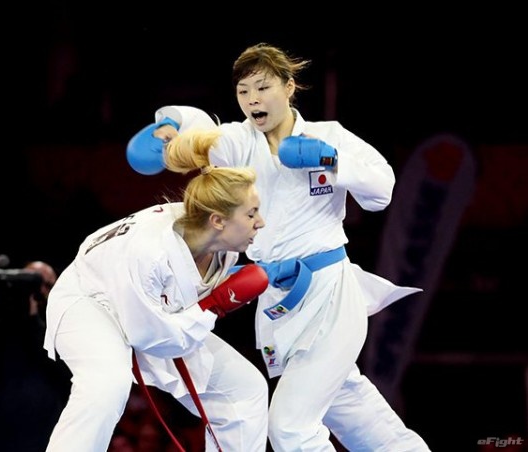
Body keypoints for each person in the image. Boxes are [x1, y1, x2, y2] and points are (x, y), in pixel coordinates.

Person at [128, 42, 431, 451]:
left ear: (289, 87)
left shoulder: (328, 135)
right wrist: (169, 129)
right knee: (351, 408)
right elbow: (197, 135)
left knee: (290, 426)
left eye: (262, 87)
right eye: (243, 91)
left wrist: (330, 160)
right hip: (276, 299)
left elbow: (382, 191)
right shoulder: (238, 141)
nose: (253, 99)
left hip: (330, 292)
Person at [43, 129, 270, 452]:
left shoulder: (219, 240)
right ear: (218, 220)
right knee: (106, 384)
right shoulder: (151, 252)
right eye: (251, 214)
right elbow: (153, 338)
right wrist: (213, 305)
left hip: (151, 310)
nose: (260, 222)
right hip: (91, 302)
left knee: (245, 390)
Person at [0, 260, 72, 452]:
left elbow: (67, 375)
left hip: (42, 442)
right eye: (30, 282)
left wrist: (32, 322)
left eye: (47, 285)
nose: (38, 290)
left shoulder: (63, 329)